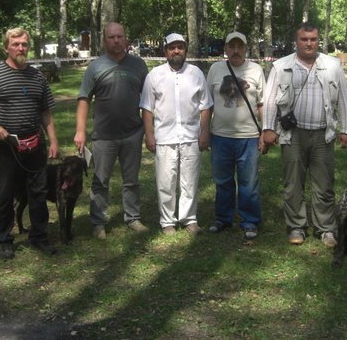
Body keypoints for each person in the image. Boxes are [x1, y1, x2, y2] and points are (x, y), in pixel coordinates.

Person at [0, 27, 59, 259]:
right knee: (5, 194)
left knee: (38, 194)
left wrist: (53, 141)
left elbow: (46, 112)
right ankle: (4, 240)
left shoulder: (37, 76)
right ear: (6, 47)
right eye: (16, 44)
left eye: (24, 44)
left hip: (35, 146)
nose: (21, 48)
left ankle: (39, 236)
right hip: (7, 148)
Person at [263, 21, 347, 247]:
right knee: (293, 183)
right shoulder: (281, 66)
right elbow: (270, 99)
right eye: (304, 39)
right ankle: (296, 226)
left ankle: (326, 228)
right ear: (297, 41)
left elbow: (343, 99)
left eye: (313, 39)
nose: (309, 43)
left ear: (318, 40)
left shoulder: (333, 65)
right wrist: (268, 128)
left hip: (323, 135)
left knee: (324, 184)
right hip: (292, 135)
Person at [74, 22, 149, 240]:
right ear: (105, 40)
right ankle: (98, 222)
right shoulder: (95, 67)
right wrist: (80, 131)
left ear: (126, 39)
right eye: (112, 37)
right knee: (100, 181)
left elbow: (148, 100)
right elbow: (83, 99)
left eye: (120, 36)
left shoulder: (139, 65)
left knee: (132, 180)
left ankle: (133, 218)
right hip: (103, 136)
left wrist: (148, 131)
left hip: (133, 133)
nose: (116, 40)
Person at [140, 33, 213, 235]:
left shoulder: (196, 73)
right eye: (172, 47)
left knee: (190, 181)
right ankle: (167, 222)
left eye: (180, 47)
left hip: (191, 135)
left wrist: (204, 132)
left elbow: (206, 105)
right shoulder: (154, 75)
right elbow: (147, 107)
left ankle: (189, 219)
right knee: (166, 182)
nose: (176, 51)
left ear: (185, 50)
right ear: (165, 51)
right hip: (165, 137)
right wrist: (149, 134)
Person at [206, 32, 266, 240]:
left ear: (246, 49)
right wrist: (205, 131)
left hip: (248, 136)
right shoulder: (215, 69)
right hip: (220, 136)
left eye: (240, 46)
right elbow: (208, 104)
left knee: (248, 182)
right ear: (225, 49)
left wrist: (264, 132)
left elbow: (262, 104)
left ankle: (250, 221)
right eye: (231, 47)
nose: (236, 51)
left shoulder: (256, 70)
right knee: (223, 180)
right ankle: (223, 218)